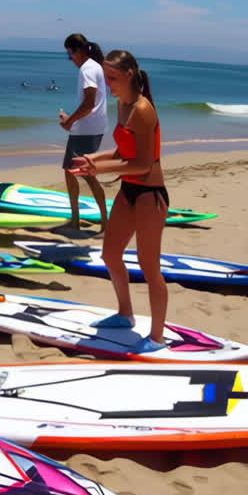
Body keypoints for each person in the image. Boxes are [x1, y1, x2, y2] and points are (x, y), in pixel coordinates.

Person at [68, 50, 168, 353]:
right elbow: (122, 151)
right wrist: (93, 158)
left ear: (127, 74)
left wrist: (101, 169)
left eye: (111, 78)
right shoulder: (123, 105)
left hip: (150, 196)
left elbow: (143, 164)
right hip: (129, 191)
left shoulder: (142, 109)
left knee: (149, 267)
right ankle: (125, 314)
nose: (106, 83)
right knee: (111, 254)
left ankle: (157, 338)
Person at [59, 33, 110, 230]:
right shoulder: (96, 66)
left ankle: (80, 222)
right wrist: (70, 120)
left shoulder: (87, 69)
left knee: (83, 173)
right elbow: (93, 103)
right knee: (77, 172)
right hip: (95, 127)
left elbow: (89, 103)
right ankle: (93, 220)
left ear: (77, 51)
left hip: (86, 129)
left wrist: (69, 121)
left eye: (69, 55)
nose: (70, 59)